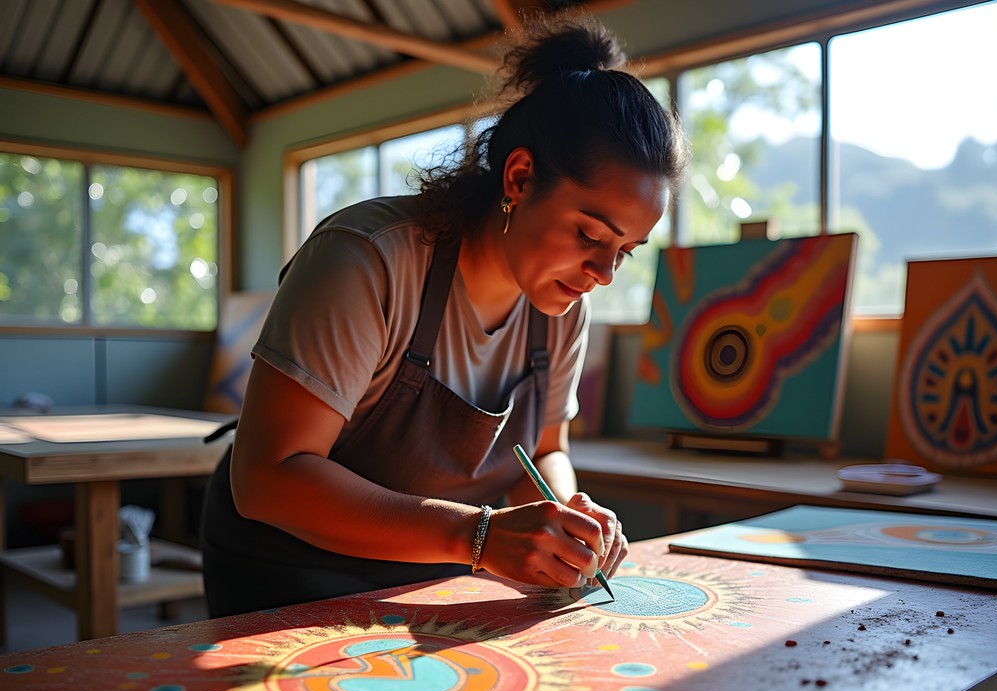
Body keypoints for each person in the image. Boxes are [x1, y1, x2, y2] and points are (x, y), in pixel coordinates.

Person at [200, 9, 689, 618]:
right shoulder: (368, 260)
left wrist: (567, 516)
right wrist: (477, 537)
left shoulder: (562, 306)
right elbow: (268, 478)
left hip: (436, 568)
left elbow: (544, 453)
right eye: (590, 234)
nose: (604, 273)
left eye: (625, 250)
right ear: (519, 177)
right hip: (288, 571)